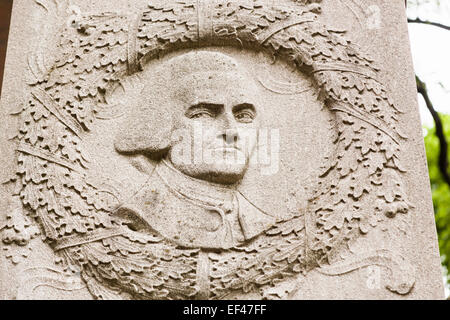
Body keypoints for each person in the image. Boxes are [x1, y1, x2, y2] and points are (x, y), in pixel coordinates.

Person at [114, 51, 276, 249]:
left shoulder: (259, 222)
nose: (231, 132)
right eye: (204, 114)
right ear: (161, 127)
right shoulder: (140, 214)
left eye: (243, 116)